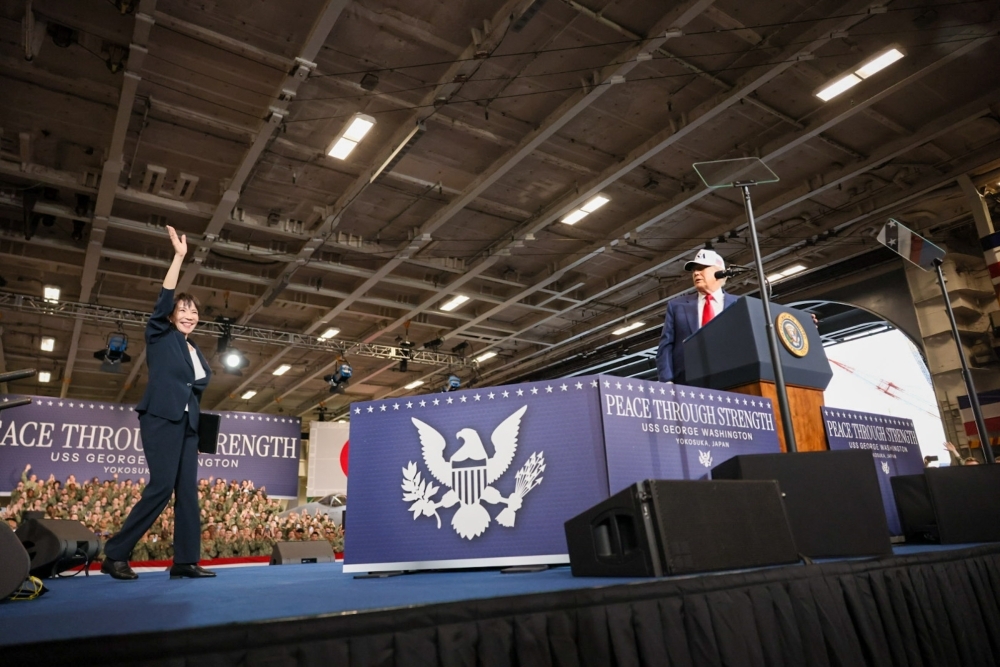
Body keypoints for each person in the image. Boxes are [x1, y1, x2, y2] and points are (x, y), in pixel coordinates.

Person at [101, 226, 216, 581]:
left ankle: (184, 561)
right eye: (183, 310)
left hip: (189, 428)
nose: (188, 315)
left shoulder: (195, 349)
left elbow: (195, 388)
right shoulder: (159, 333)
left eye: (194, 311)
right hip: (160, 419)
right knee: (162, 487)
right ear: (170, 315)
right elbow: (164, 296)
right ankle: (116, 554)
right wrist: (179, 257)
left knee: (187, 494)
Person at [656, 249, 739, 384]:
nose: (696, 273)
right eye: (694, 269)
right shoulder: (677, 306)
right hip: (687, 385)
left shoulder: (738, 304)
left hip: (731, 381)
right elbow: (665, 346)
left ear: (719, 272)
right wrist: (666, 381)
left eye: (702, 268)